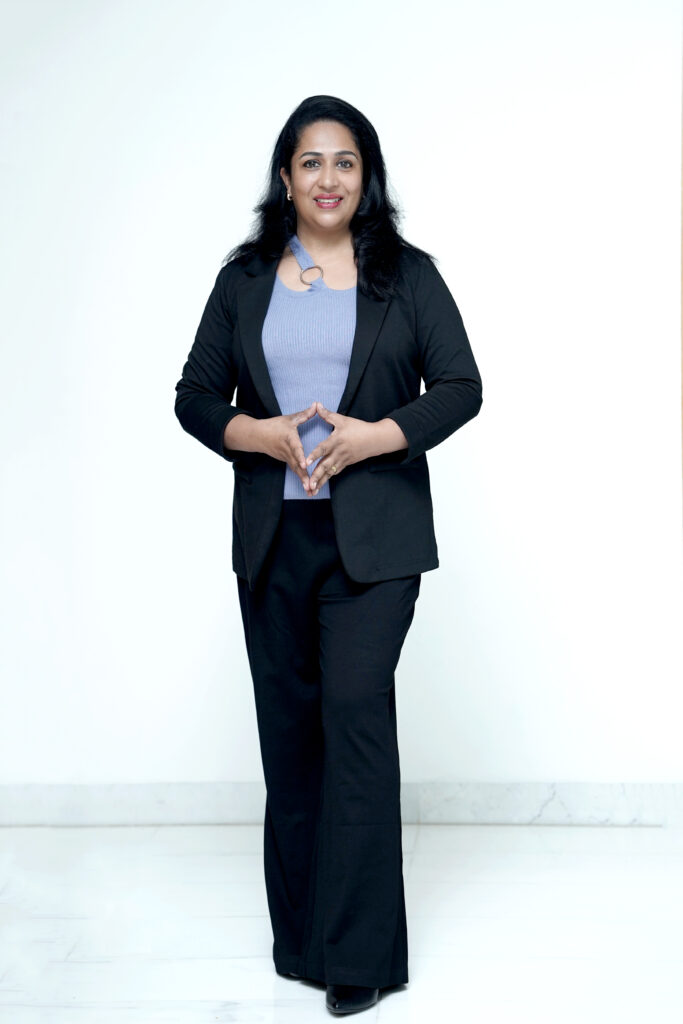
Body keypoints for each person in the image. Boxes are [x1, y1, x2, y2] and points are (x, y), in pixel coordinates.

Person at [174, 94, 483, 1016]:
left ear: (366, 176)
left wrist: (376, 435)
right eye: (311, 163)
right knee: (290, 737)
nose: (328, 179)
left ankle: (358, 954)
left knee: (354, 723)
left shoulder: (407, 277)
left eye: (345, 162)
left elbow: (461, 386)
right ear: (285, 178)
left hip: (373, 542)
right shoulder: (244, 281)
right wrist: (256, 435)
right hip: (273, 538)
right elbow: (194, 396)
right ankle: (299, 936)